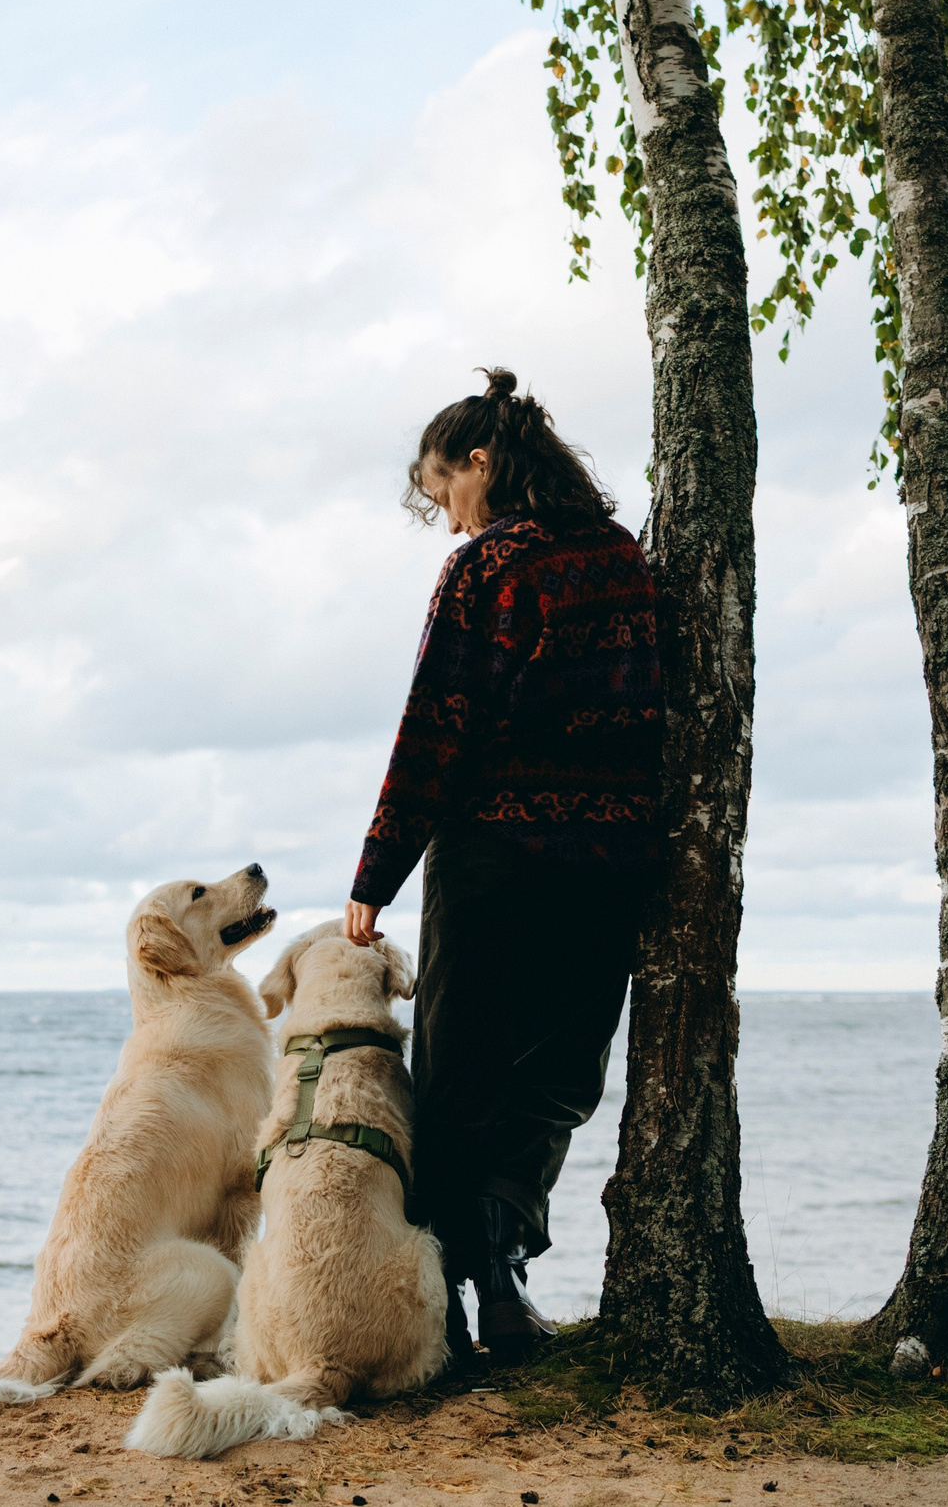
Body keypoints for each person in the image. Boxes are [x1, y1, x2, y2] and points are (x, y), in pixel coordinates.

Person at [341, 368, 664, 1361]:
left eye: (446, 493)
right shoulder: (622, 559)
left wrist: (375, 873)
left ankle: (455, 1302)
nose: (447, 521)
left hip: (492, 862)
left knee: (458, 1078)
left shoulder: (485, 569)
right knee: (558, 1076)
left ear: (481, 463)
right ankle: (509, 1277)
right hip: (605, 862)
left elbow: (435, 722)